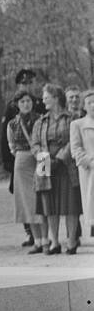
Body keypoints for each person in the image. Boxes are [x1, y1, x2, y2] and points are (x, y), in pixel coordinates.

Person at [31, 84, 81, 254]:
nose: (43, 100)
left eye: (46, 97)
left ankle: (72, 241)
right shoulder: (41, 121)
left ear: (56, 98)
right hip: (45, 163)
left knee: (70, 205)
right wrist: (43, 157)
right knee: (49, 204)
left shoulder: (72, 118)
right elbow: (35, 143)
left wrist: (60, 158)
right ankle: (54, 242)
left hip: (66, 164)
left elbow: (73, 141)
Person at [0, 68, 45, 247]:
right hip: (21, 160)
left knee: (44, 192)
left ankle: (46, 235)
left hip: (41, 157)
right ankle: (31, 234)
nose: (27, 86)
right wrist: (9, 163)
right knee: (25, 197)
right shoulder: (11, 108)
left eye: (30, 83)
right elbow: (6, 139)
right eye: (24, 83)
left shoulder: (41, 105)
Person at [70, 90, 94, 240]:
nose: (93, 105)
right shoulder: (77, 124)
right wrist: (90, 162)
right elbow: (76, 149)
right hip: (89, 170)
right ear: (84, 106)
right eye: (89, 103)